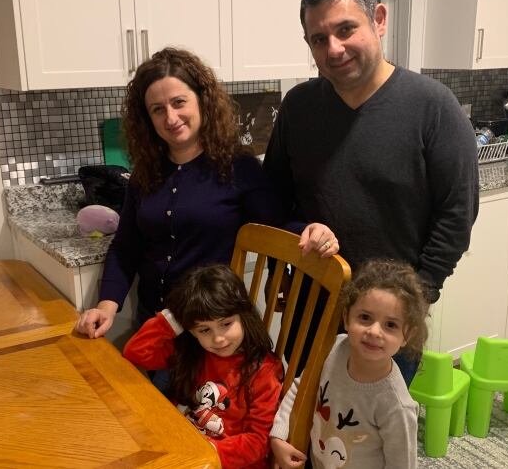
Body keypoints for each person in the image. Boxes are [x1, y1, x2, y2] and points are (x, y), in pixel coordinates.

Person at [263, 0, 479, 383]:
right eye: (319, 39)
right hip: (312, 305)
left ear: (378, 20)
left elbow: (457, 213)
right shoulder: (299, 106)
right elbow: (274, 198)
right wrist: (283, 267)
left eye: (346, 29)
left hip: (388, 319)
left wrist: (418, 297)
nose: (334, 48)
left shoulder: (433, 107)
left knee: (374, 434)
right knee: (307, 423)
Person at [75, 48, 339, 340]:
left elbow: (276, 226)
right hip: (154, 329)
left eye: (179, 103)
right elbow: (126, 247)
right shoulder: (145, 173)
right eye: (157, 109)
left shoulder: (238, 168)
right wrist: (106, 307)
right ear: (146, 117)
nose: (171, 117)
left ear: (202, 101)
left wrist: (311, 230)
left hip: (212, 336)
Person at [269, 259, 428, 469]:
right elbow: (301, 387)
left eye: (390, 325)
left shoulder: (397, 406)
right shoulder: (335, 347)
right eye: (365, 317)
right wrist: (278, 436)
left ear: (407, 334)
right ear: (346, 317)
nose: (374, 331)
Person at [123, 264, 283, 469]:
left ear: (244, 316)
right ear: (191, 331)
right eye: (204, 329)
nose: (218, 338)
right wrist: (173, 318)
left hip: (221, 460)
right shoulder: (195, 353)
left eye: (226, 324)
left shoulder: (264, 370)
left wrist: (206, 451)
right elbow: (135, 353)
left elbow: (258, 444)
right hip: (180, 444)